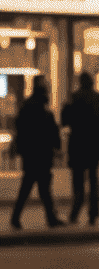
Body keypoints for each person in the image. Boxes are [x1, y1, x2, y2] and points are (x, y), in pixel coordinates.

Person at [61, 71, 99, 226]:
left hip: (77, 145)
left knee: (78, 181)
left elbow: (64, 120)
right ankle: (93, 214)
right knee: (93, 179)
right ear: (92, 82)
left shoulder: (73, 98)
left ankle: (75, 213)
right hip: (95, 145)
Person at [9, 79, 64, 230]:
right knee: (42, 188)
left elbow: (19, 128)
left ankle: (18, 218)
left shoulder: (26, 107)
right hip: (42, 155)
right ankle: (50, 218)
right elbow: (52, 132)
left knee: (30, 187)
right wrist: (57, 148)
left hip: (30, 154)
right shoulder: (44, 112)